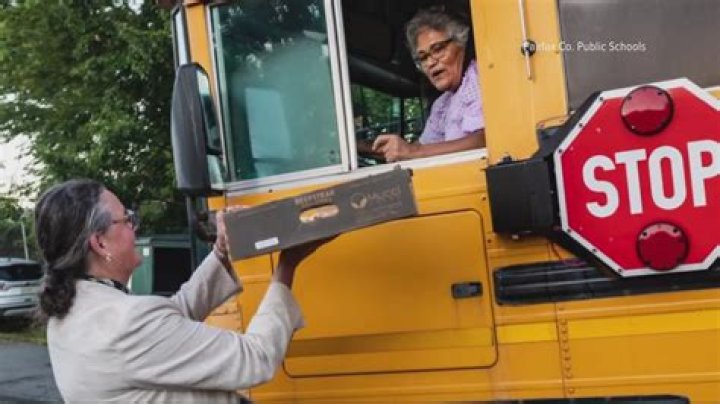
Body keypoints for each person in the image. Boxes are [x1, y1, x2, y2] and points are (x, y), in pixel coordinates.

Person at [34, 179, 326, 403]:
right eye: (127, 219)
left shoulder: (72, 316)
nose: (135, 228)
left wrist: (222, 252)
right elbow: (255, 358)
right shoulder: (126, 322)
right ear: (100, 243)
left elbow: (172, 321)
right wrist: (287, 266)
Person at [372, 8, 485, 162]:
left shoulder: (479, 76)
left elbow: (485, 139)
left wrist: (412, 151)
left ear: (461, 43)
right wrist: (359, 148)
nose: (430, 63)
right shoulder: (442, 104)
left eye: (438, 50)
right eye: (423, 58)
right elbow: (423, 147)